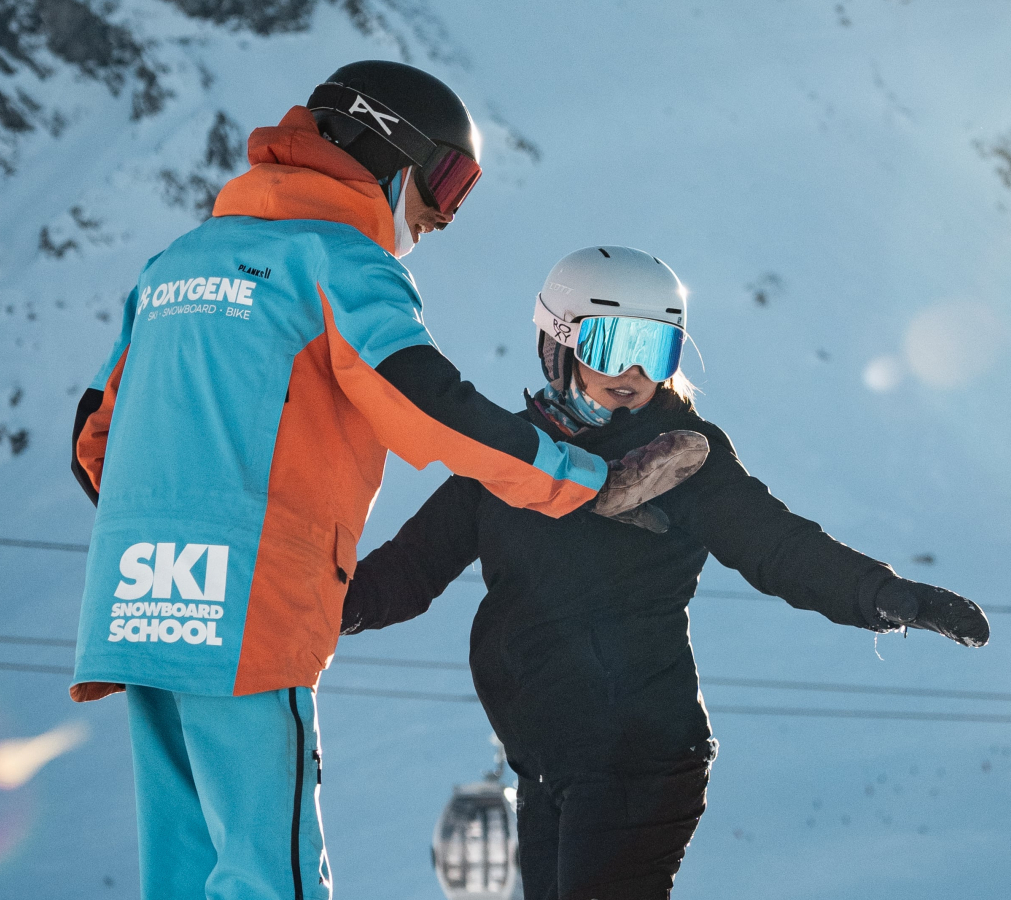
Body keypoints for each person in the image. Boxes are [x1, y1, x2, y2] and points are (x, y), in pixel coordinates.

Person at [65, 64, 709, 900]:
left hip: (140, 604)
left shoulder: (174, 266)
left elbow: (97, 437)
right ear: (387, 150)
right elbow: (428, 402)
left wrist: (172, 532)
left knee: (186, 873)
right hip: (244, 617)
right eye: (447, 180)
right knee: (274, 875)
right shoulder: (339, 262)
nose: (442, 215)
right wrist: (584, 482)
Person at [340, 246, 991, 900]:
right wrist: (313, 606)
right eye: (610, 343)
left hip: (639, 759)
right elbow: (412, 567)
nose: (629, 371)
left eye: (654, 350)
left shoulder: (684, 458)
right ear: (557, 345)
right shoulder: (512, 456)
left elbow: (777, 544)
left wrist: (885, 595)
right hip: (546, 766)